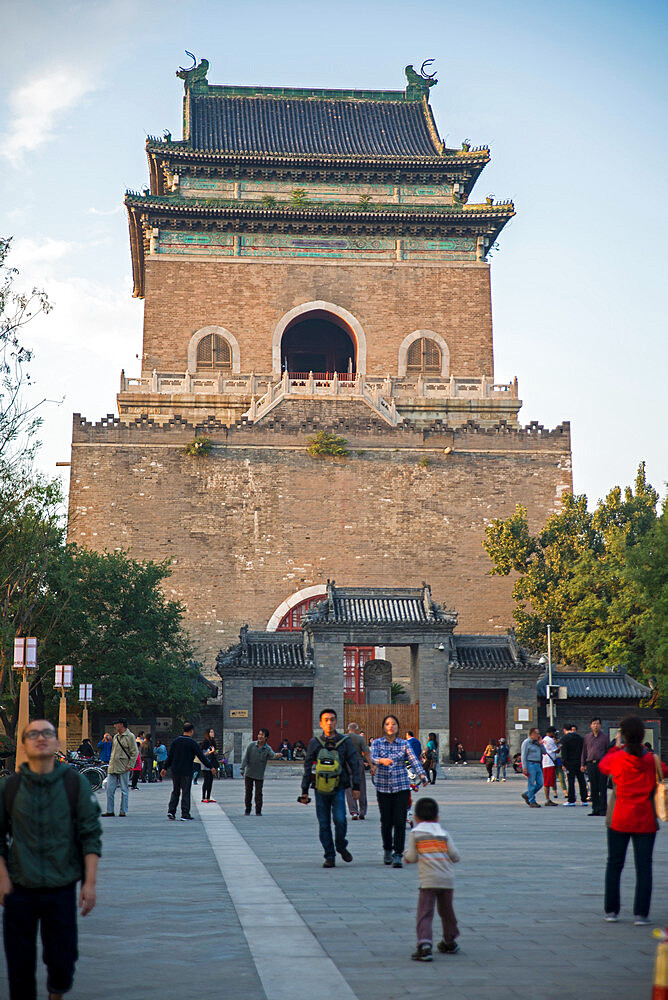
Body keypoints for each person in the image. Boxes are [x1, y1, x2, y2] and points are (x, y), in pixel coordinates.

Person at [0, 719, 102, 1000]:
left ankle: (56, 992)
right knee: (18, 961)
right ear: (24, 744)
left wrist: (90, 882)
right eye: (33, 734)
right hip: (19, 887)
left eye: (47, 734)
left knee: (62, 959)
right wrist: (3, 878)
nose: (41, 739)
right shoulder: (10, 787)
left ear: (57, 744)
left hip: (61, 886)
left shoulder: (74, 784)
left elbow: (89, 833)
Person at [599, 715, 668, 924]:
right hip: (645, 819)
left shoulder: (617, 758)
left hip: (619, 818)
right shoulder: (651, 760)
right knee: (644, 866)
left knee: (614, 864)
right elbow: (664, 771)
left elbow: (603, 766)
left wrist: (616, 747)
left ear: (623, 735)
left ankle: (612, 910)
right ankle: (641, 913)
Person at [298, 709, 361, 868]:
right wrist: (304, 790)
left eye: (332, 719)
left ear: (336, 722)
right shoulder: (315, 742)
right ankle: (329, 855)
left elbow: (354, 763)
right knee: (324, 823)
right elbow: (308, 767)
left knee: (340, 819)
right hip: (320, 789)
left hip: (339, 787)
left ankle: (340, 845)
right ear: (320, 723)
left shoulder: (344, 742)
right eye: (326, 720)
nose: (329, 723)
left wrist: (356, 787)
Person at [404, 796, 460, 962]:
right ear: (437, 817)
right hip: (447, 879)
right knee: (447, 912)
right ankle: (449, 940)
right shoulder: (443, 833)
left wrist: (406, 857)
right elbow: (455, 855)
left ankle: (424, 943)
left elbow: (412, 857)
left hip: (428, 880)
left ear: (416, 818)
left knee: (425, 912)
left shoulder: (416, 833)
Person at [370, 714, 428, 867]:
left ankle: (397, 853)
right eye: (388, 724)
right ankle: (387, 850)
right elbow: (371, 757)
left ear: (398, 727)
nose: (391, 726)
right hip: (383, 787)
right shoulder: (377, 743)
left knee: (400, 821)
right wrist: (381, 760)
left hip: (401, 786)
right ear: (384, 726)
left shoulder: (404, 744)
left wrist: (422, 774)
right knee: (386, 821)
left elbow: (414, 760)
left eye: (394, 724)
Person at [161, 723, 213, 821]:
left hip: (175, 771)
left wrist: (164, 768)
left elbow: (170, 756)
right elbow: (201, 756)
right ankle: (185, 814)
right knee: (185, 791)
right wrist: (211, 767)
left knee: (175, 791)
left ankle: (171, 811)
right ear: (192, 731)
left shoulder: (175, 742)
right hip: (186, 771)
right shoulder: (192, 743)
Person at [241, 728, 282, 815]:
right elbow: (245, 758)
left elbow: (272, 755)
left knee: (258, 793)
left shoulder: (267, 748)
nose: (260, 736)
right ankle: (247, 809)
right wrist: (242, 768)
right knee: (248, 792)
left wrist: (277, 755)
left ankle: (258, 811)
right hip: (249, 773)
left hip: (259, 774)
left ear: (266, 737)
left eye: (262, 735)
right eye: (259, 734)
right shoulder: (251, 745)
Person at [102, 718, 138, 817]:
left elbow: (134, 752)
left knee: (124, 790)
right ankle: (110, 810)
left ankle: (123, 810)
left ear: (121, 725)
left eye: (116, 724)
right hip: (113, 766)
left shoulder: (130, 736)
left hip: (124, 766)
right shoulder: (116, 737)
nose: (114, 726)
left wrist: (130, 765)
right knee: (109, 789)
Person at [581, 717, 610, 816]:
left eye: (597, 724)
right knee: (593, 787)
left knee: (602, 787)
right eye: (594, 724)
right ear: (590, 725)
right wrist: (583, 764)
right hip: (590, 764)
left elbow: (608, 752)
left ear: (600, 725)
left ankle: (603, 809)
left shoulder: (605, 737)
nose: (595, 725)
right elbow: (584, 751)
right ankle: (595, 809)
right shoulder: (587, 737)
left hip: (601, 764)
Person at [345, 722, 370, 820]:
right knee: (361, 786)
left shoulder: (343, 738)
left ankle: (354, 812)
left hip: (347, 763)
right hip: (358, 762)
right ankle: (362, 811)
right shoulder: (360, 738)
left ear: (348, 729)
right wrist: (371, 765)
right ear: (356, 729)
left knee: (349, 788)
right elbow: (366, 752)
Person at [560, 724, 588, 806]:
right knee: (582, 781)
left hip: (569, 763)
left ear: (565, 730)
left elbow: (564, 752)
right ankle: (584, 799)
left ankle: (571, 800)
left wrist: (564, 763)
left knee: (571, 781)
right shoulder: (580, 738)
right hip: (579, 762)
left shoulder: (564, 739)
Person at [520, 728, 543, 808]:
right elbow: (523, 755)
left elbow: (544, 752)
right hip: (530, 764)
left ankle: (527, 794)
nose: (538, 735)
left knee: (540, 783)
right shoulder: (526, 743)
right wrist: (524, 767)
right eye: (537, 734)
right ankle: (532, 801)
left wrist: (541, 743)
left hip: (538, 764)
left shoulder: (537, 743)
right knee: (531, 783)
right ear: (532, 734)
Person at [200, 728, 219, 803]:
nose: (213, 733)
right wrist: (210, 752)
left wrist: (215, 753)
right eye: (211, 732)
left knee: (211, 781)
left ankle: (208, 797)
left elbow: (214, 752)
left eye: (213, 732)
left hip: (212, 763)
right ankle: (203, 797)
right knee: (206, 780)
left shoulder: (213, 742)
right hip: (206, 764)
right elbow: (202, 754)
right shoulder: (205, 742)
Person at [541, 726, 559, 805]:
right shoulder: (550, 740)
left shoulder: (544, 739)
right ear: (551, 732)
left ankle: (548, 798)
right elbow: (556, 750)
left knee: (547, 781)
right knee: (547, 782)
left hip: (545, 762)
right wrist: (560, 745)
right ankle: (547, 799)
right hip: (549, 763)